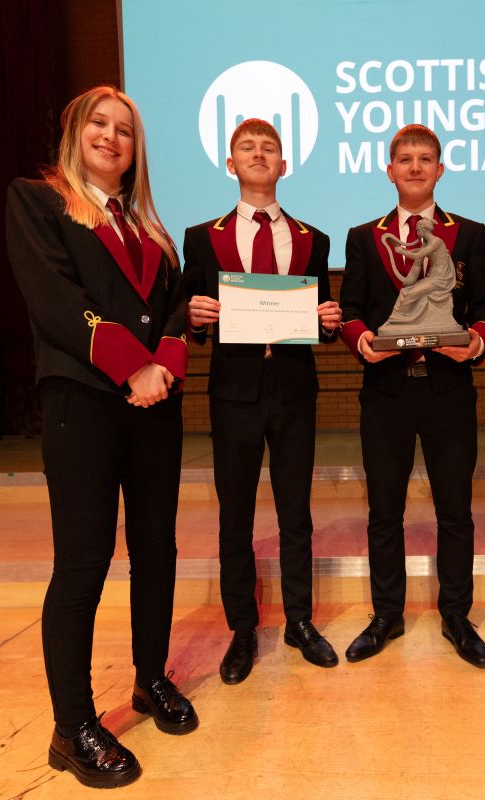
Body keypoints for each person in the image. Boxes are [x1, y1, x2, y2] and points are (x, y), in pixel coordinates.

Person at [5, 85, 196, 789]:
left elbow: (175, 307)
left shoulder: (149, 226)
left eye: (125, 129)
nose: (112, 137)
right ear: (74, 132)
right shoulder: (38, 201)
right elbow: (59, 302)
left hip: (155, 405)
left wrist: (163, 366)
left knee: (156, 550)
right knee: (83, 564)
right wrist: (132, 367)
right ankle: (73, 726)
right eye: (99, 123)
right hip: (82, 403)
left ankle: (150, 677)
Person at [182, 119, 341, 685]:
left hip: (294, 389)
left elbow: (320, 317)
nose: (258, 154)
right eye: (247, 148)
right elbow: (190, 315)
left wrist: (328, 321)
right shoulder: (202, 237)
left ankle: (300, 620)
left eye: (268, 148)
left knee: (296, 512)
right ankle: (243, 628)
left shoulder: (313, 239)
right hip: (233, 392)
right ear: (231, 164)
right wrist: (194, 316)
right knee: (236, 515)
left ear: (283, 165)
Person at [338, 124, 485, 667]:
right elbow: (351, 308)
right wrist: (360, 339)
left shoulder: (469, 233)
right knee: (384, 511)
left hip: (449, 389)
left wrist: (477, 341)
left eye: (424, 159)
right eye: (404, 159)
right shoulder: (364, 236)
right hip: (385, 391)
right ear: (389, 171)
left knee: (456, 510)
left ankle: (457, 614)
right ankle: (387, 614)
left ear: (439, 169)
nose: (414, 167)